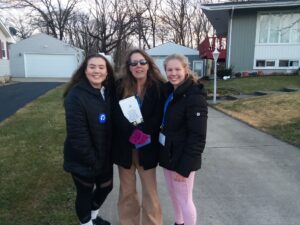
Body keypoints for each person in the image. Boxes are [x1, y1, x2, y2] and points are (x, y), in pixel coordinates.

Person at [112, 49, 165, 225]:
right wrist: (133, 136)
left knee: (150, 192)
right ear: (128, 67)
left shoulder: (158, 87)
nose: (138, 66)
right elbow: (116, 115)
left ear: (148, 64)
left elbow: (158, 117)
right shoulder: (119, 86)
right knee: (127, 192)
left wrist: (142, 138)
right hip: (124, 147)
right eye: (133, 63)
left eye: (142, 62)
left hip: (148, 148)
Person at [63, 53, 115, 225]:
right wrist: (93, 160)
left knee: (106, 187)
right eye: (92, 67)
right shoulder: (76, 95)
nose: (96, 71)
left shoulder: (107, 91)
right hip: (83, 158)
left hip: (104, 156)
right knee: (84, 194)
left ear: (107, 72)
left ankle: (93, 218)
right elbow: (77, 135)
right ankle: (86, 223)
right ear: (85, 70)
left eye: (101, 67)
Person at [158, 54, 208, 225]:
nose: (173, 73)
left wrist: (184, 167)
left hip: (182, 159)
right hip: (168, 154)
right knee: (173, 195)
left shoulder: (194, 96)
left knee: (185, 199)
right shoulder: (170, 92)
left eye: (177, 69)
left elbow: (198, 137)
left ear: (186, 70)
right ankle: (179, 222)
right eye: (169, 70)